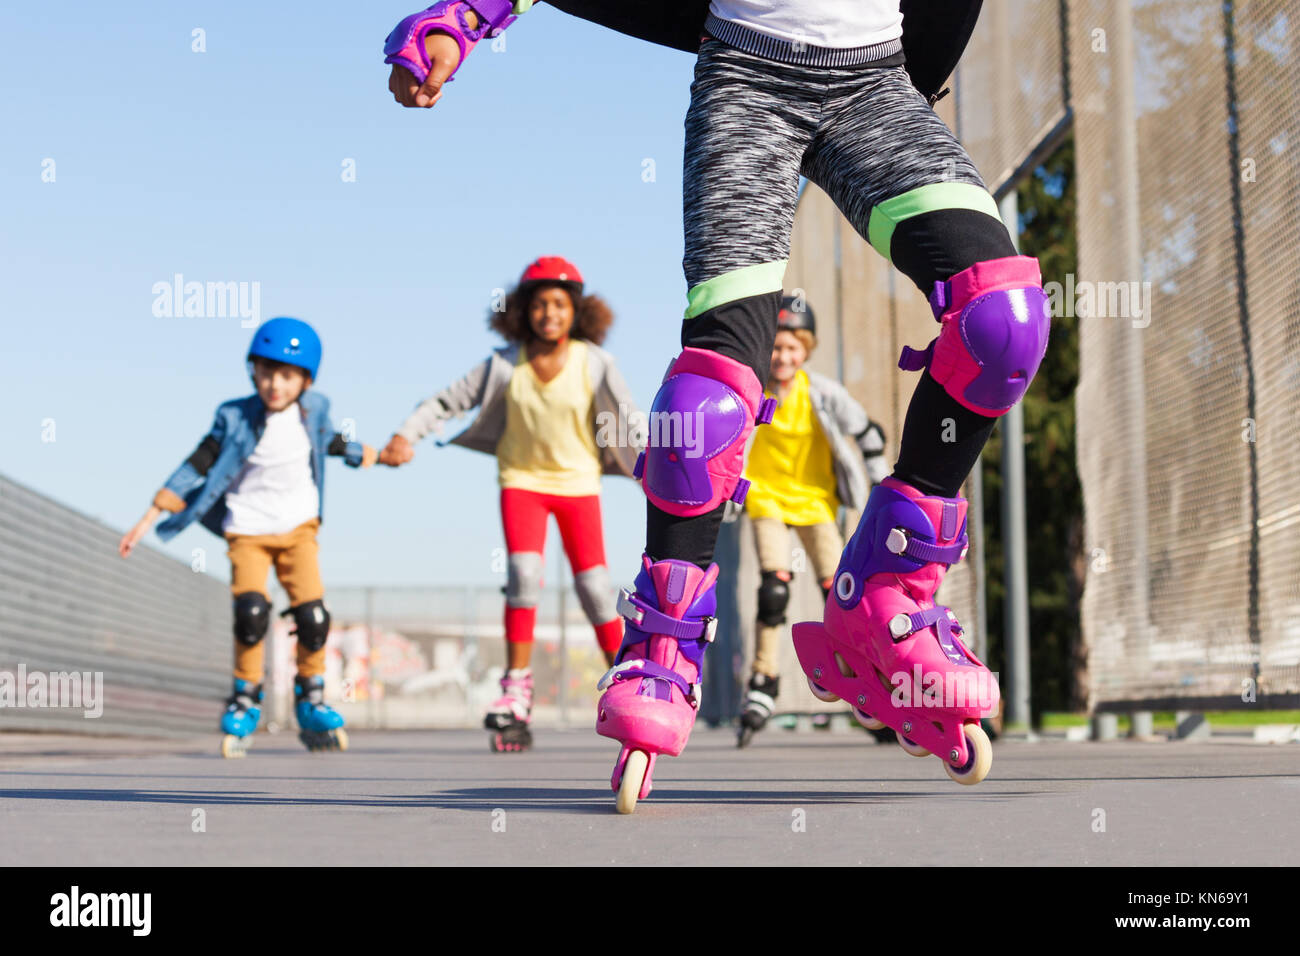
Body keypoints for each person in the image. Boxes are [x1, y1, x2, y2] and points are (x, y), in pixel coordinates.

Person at [382, 0, 1049, 808]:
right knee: (708, 402)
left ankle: (885, 592)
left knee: (1003, 321)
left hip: (879, 86)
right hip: (748, 82)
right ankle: (663, 640)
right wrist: (465, 17)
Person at [381, 256, 645, 752]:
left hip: (579, 483)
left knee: (593, 587)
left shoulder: (595, 363)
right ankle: (516, 690)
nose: (549, 313)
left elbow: (629, 424)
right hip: (521, 481)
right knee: (524, 575)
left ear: (578, 312)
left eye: (560, 305)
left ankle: (627, 679)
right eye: (539, 304)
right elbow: (443, 402)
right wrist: (404, 435)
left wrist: (662, 474)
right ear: (523, 311)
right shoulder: (504, 364)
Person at [118, 318, 380, 756]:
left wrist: (366, 453)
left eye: (287, 375)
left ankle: (310, 695)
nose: (275, 384)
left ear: (306, 380)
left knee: (313, 615)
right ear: (252, 371)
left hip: (299, 528)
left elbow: (330, 441)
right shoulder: (234, 415)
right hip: (247, 529)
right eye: (265, 372)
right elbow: (200, 459)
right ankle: (245, 696)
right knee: (252, 610)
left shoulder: (316, 410)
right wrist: (153, 512)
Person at [735, 295, 887, 747]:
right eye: (775, 348)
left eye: (792, 349)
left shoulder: (820, 391)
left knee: (840, 594)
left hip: (816, 501)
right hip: (765, 499)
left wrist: (880, 487)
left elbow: (868, 433)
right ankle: (764, 681)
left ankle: (868, 678)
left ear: (806, 350)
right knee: (774, 588)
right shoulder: (750, 391)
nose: (782, 357)